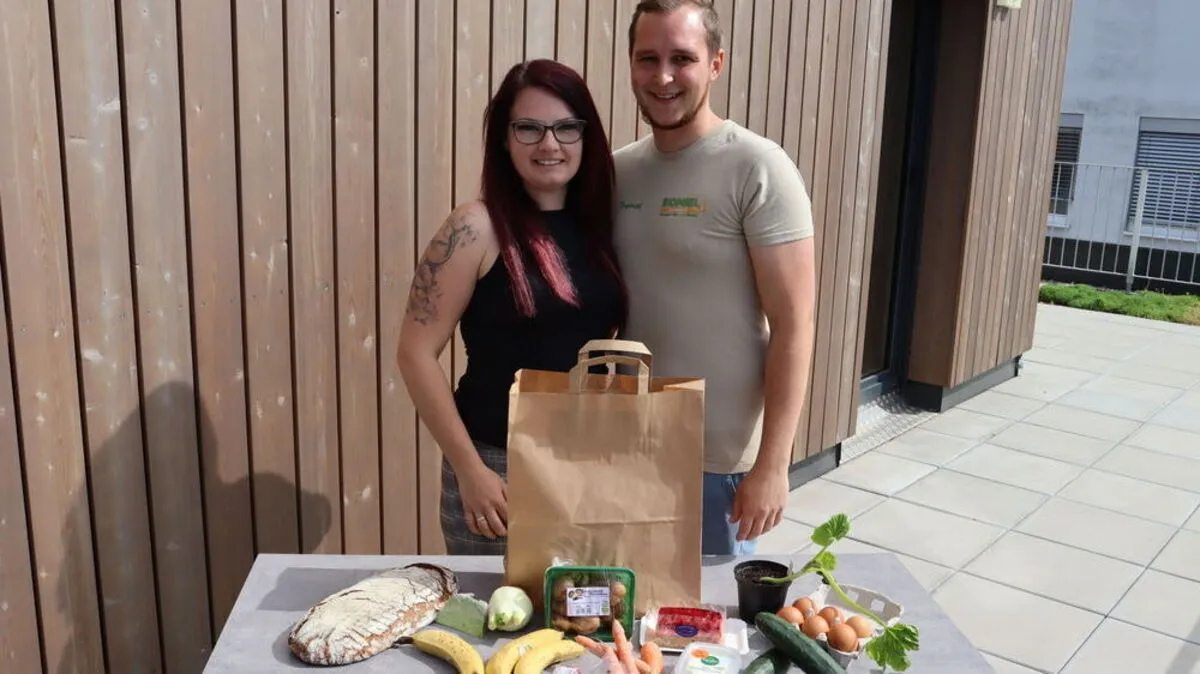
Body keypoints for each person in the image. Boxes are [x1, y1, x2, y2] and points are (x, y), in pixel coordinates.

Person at [397, 59, 627, 555]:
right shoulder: (475, 228)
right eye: (529, 128)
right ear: (504, 139)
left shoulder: (599, 225)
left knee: (580, 623)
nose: (550, 144)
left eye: (567, 127)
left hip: (587, 467)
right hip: (497, 473)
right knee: (497, 625)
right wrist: (469, 470)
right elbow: (415, 354)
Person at [612, 0, 817, 555]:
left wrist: (773, 466)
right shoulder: (618, 171)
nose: (663, 76)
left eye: (683, 58)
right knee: (629, 628)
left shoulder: (757, 167)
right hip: (627, 450)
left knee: (706, 636)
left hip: (717, 464)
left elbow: (795, 327)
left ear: (716, 63)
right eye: (647, 58)